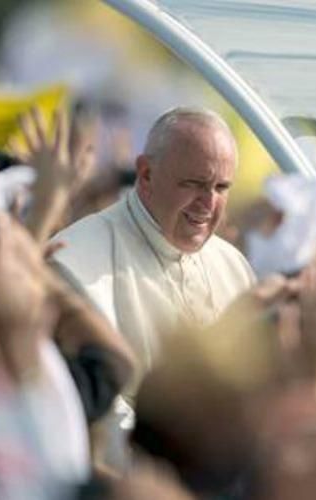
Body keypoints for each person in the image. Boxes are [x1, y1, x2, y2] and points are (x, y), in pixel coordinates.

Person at [50, 107, 256, 371]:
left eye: (221, 188)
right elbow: (91, 402)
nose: (208, 203)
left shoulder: (234, 266)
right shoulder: (73, 262)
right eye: (194, 183)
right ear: (146, 174)